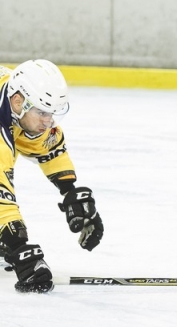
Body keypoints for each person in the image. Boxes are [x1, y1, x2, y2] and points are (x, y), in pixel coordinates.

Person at [0, 60, 104, 293]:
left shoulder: (14, 96)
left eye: (52, 113)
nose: (48, 122)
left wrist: (70, 191)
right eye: (42, 113)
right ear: (18, 102)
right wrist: (19, 247)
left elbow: (46, 146)